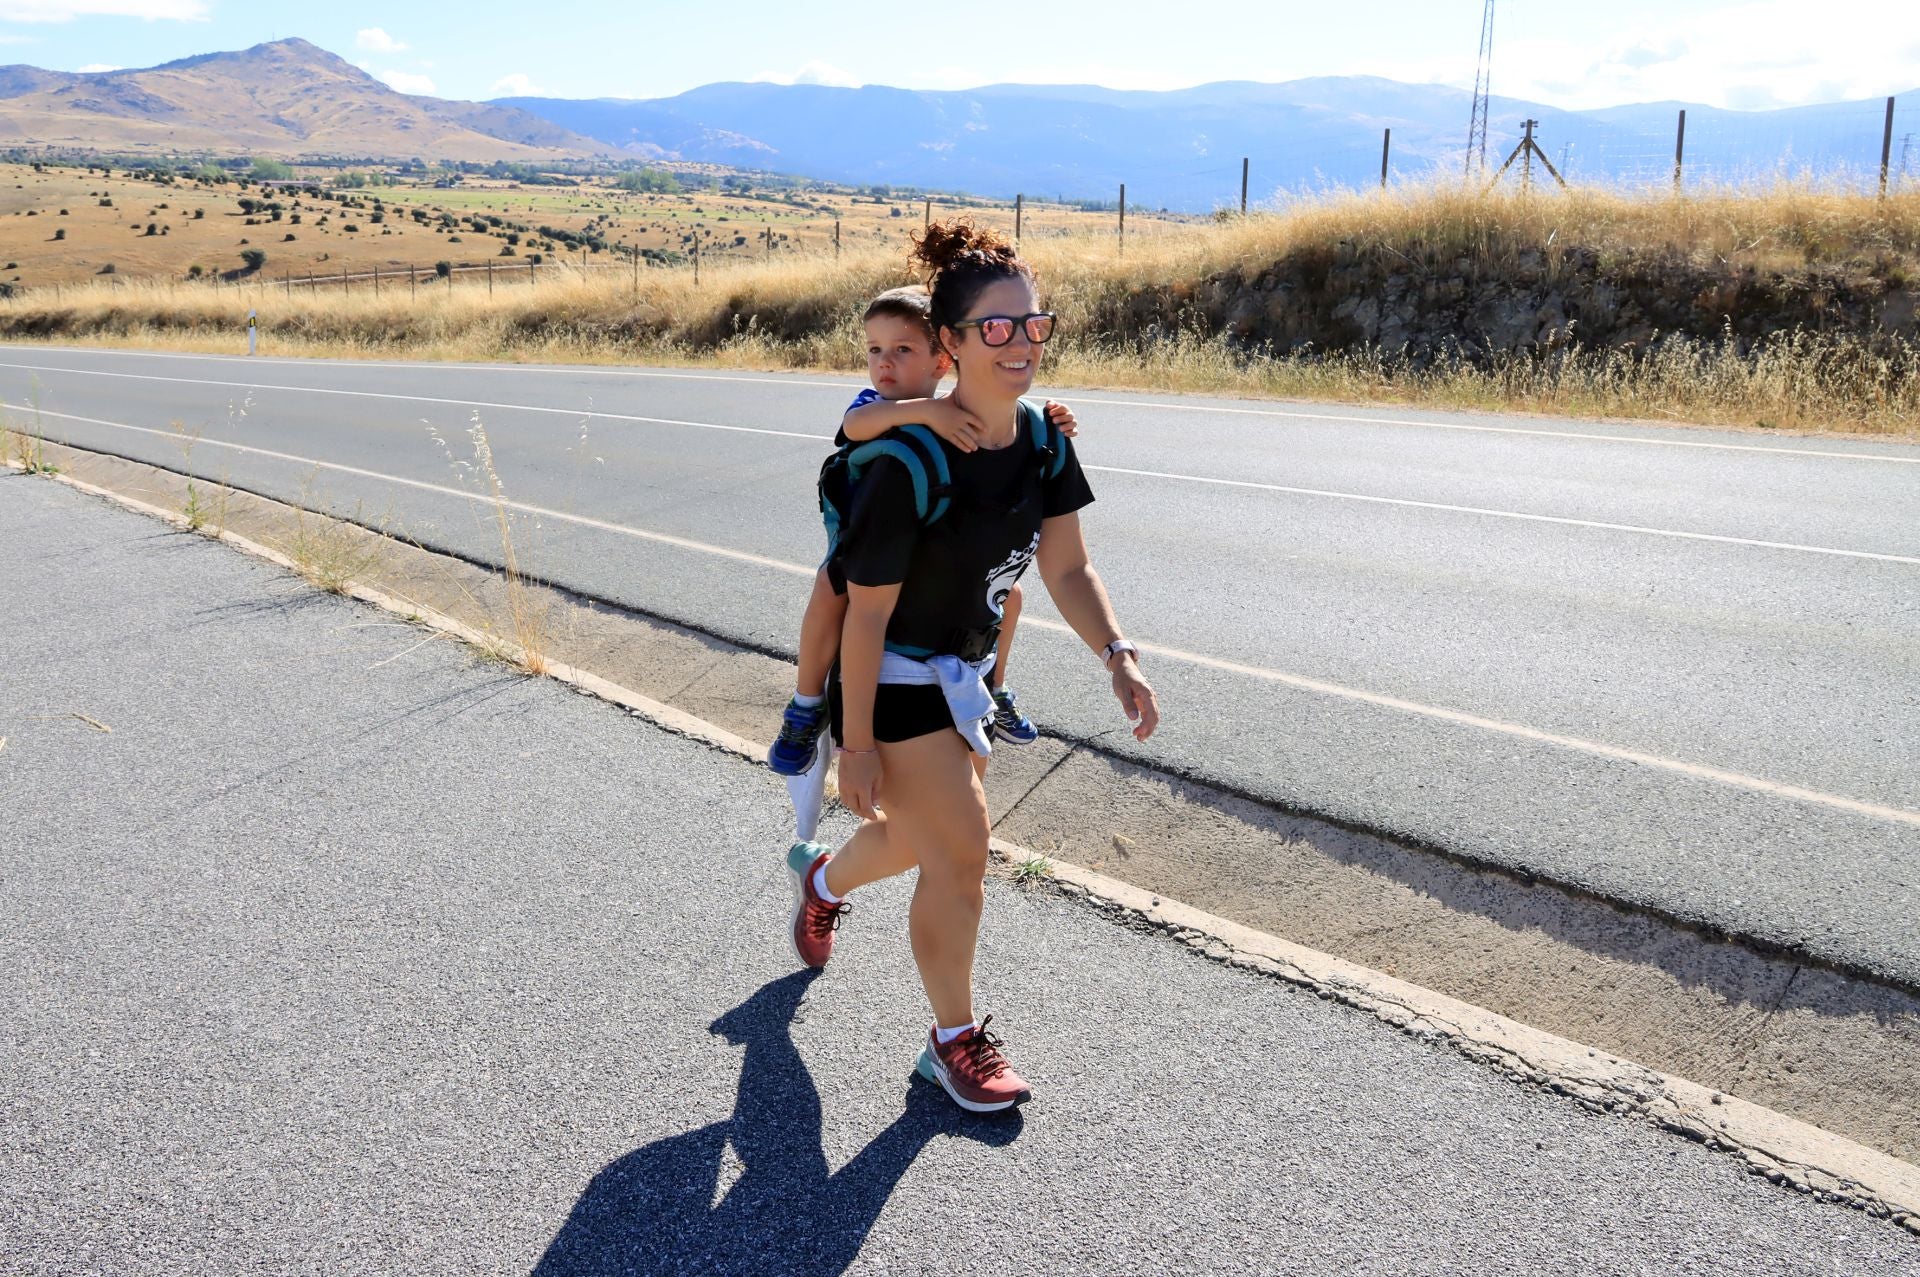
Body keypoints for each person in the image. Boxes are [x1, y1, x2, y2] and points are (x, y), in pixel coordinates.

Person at [784, 221, 1159, 1113]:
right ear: (950, 343)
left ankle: (823, 880)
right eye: (998, 326)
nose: (1022, 341)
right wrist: (859, 743)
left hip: (966, 676)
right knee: (963, 853)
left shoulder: (1045, 442)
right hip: (897, 680)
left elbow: (1066, 566)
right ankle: (952, 1042)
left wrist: (1118, 652)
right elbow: (866, 616)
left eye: (1035, 323)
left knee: (922, 839)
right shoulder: (902, 461)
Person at [766, 287, 1078, 777]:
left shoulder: (952, 411)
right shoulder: (878, 405)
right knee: (830, 590)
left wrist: (1053, 416)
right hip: (859, 550)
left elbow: (1001, 416)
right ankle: (805, 706)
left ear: (941, 360)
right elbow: (856, 423)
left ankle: (995, 684)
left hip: (916, 557)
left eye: (902, 350)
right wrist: (923, 411)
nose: (884, 363)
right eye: (874, 350)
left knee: (1009, 597)